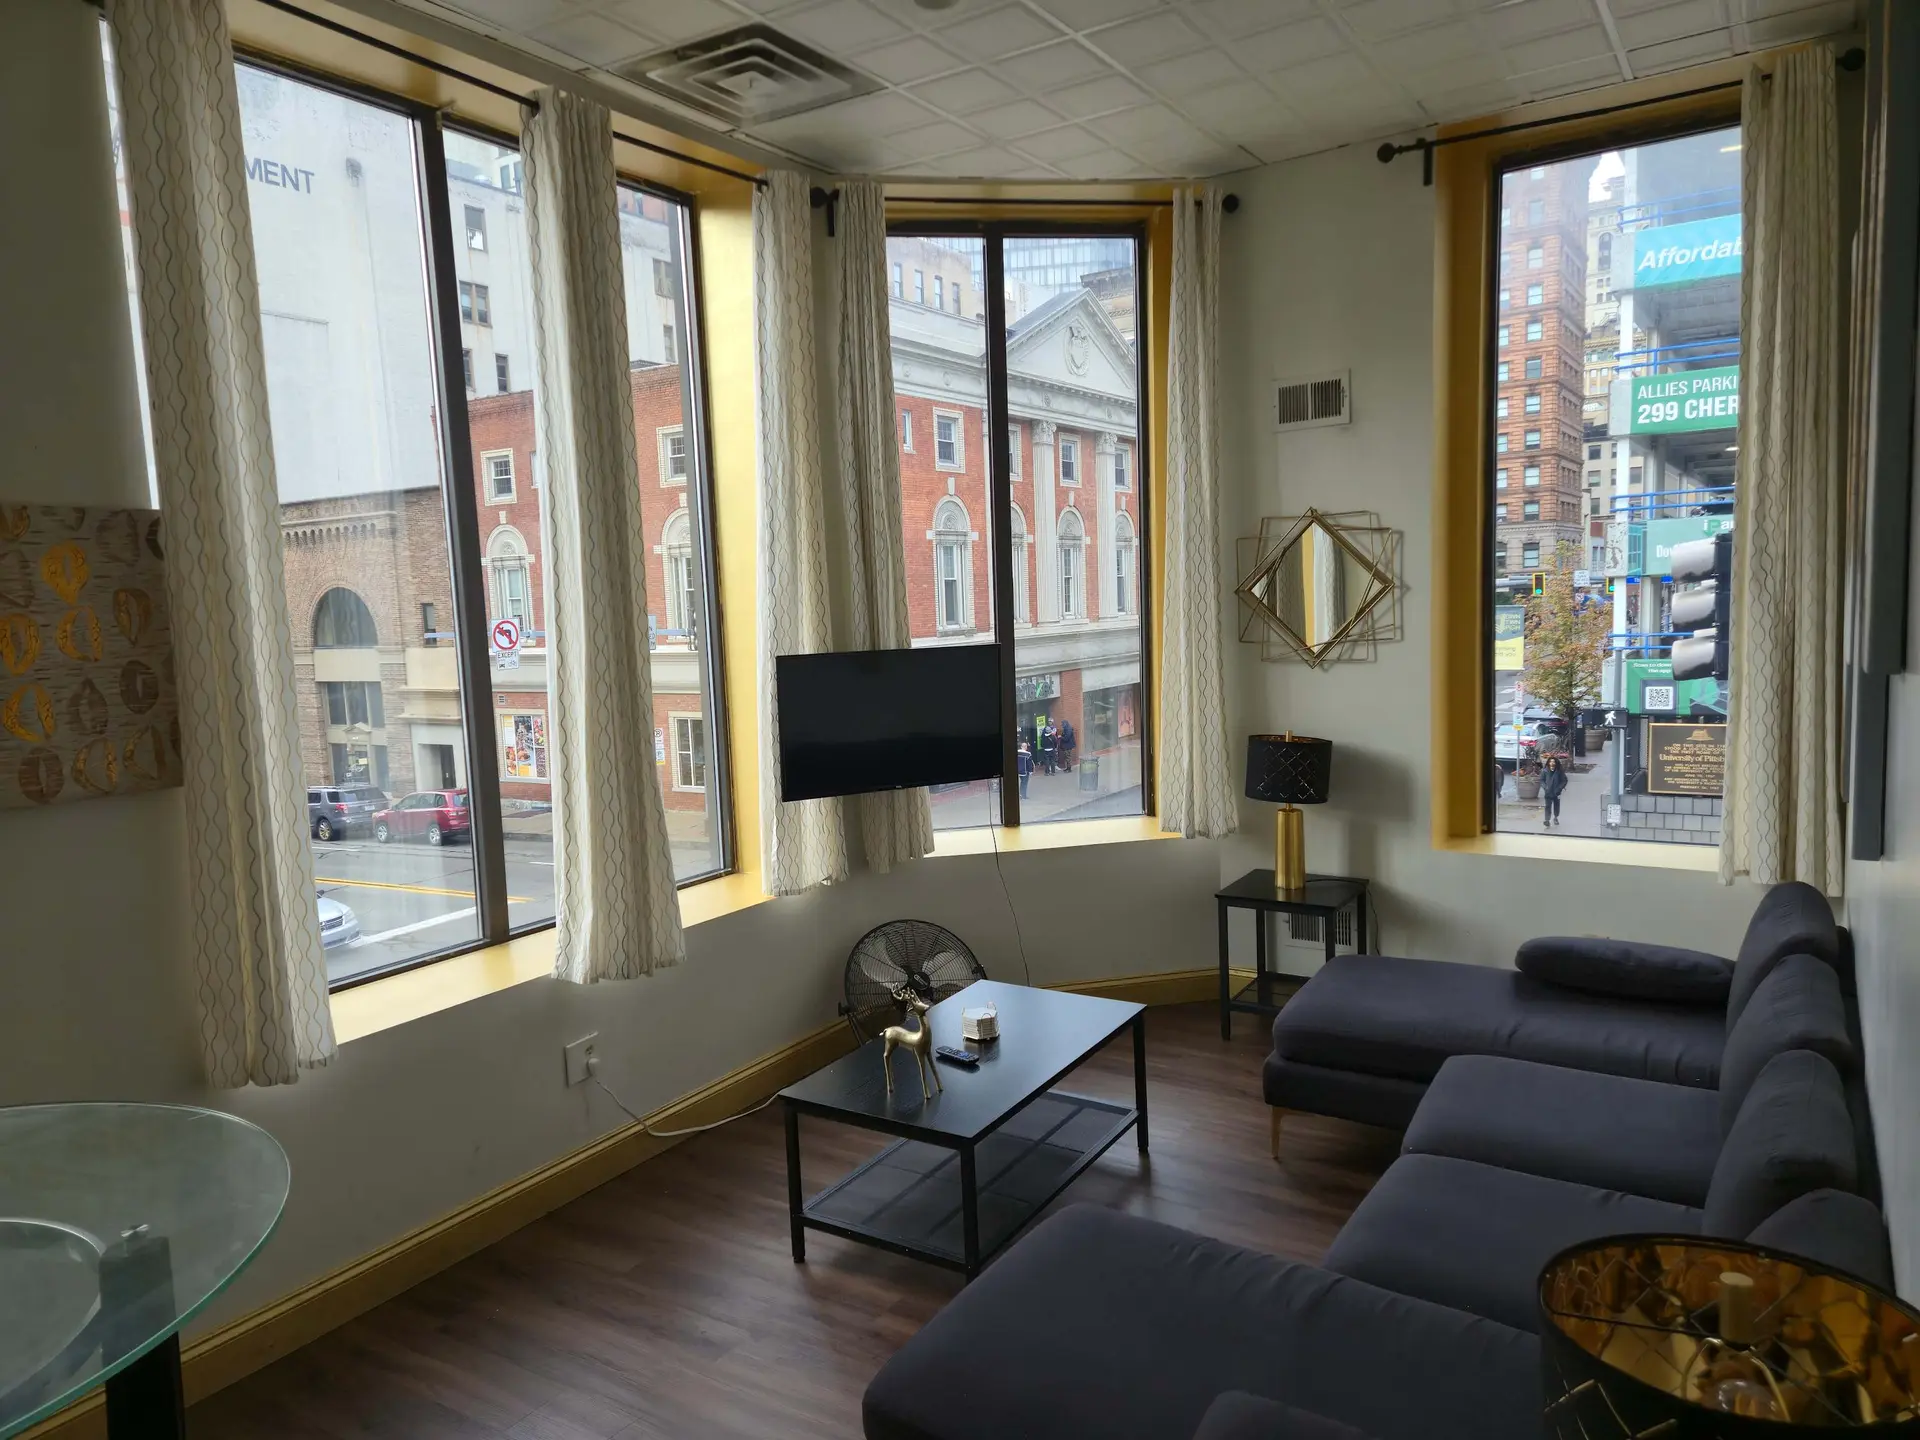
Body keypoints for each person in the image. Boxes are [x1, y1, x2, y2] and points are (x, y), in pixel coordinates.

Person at [1541, 754, 1567, 827]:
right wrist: (1545, 787)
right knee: (1547, 806)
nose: (1552, 763)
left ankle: (1555, 817)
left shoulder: (1559, 771)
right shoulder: (1545, 771)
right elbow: (1542, 780)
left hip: (1556, 792)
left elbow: (1564, 780)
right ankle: (1547, 820)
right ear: (1548, 763)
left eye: (1553, 762)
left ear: (1556, 763)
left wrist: (1559, 788)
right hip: (1548, 792)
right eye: (1550, 762)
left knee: (1556, 806)